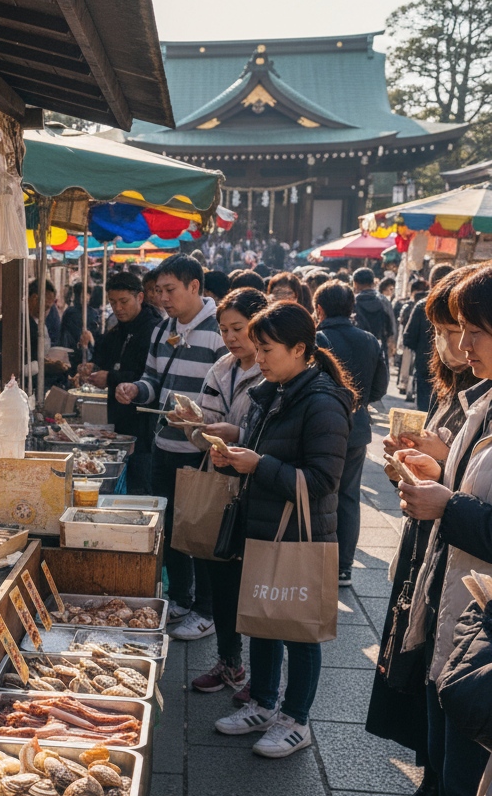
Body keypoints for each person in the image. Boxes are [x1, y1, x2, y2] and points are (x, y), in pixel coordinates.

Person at [380, 263, 492, 796]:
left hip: (480, 618)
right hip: (460, 610)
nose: (463, 344)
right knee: (455, 768)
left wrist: (448, 505)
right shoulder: (482, 398)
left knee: (470, 775)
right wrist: (436, 467)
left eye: (475, 330)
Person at [210, 301, 354, 756]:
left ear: (299, 349)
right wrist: (232, 462)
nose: (259, 357)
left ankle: (297, 719)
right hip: (266, 525)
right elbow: (257, 460)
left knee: (299, 629)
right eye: (258, 348)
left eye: (266, 349)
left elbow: (323, 481)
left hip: (303, 534)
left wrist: (259, 464)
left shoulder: (323, 401)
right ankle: (264, 702)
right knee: (264, 620)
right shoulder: (271, 391)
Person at [366, 266, 479, 796]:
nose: (455, 343)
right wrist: (419, 465)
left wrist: (444, 476)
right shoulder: (458, 391)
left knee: (448, 688)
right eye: (444, 329)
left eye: (466, 329)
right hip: (431, 549)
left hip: (465, 571)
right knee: (422, 675)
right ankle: (432, 792)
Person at [115, 253, 227, 640]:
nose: (163, 298)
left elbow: (226, 394)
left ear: (194, 287)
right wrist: (136, 389)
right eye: (158, 291)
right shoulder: (163, 330)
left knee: (202, 531)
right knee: (174, 528)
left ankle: (207, 609)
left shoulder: (219, 330)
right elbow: (152, 379)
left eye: (170, 290)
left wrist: (200, 419)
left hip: (201, 449)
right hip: (165, 443)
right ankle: (181, 596)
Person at [184, 286, 268, 696]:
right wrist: (198, 428)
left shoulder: (275, 368)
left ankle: (267, 680)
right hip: (222, 487)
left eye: (239, 328)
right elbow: (205, 427)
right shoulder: (222, 367)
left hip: (263, 488)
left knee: (259, 586)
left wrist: (237, 434)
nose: (232, 338)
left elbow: (278, 435)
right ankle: (230, 663)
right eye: (224, 330)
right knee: (221, 577)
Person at [312, 280, 388, 586]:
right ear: (351, 308)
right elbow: (380, 388)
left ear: (319, 309)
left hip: (319, 427)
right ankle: (343, 566)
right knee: (348, 496)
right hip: (356, 429)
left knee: (318, 493)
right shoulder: (370, 340)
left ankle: (319, 559)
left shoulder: (317, 338)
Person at [75, 273, 157, 486]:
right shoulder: (116, 331)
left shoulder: (153, 329)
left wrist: (110, 377)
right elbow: (105, 358)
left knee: (140, 483)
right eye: (113, 302)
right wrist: (93, 368)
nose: (118, 308)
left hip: (143, 427)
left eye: (123, 302)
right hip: (118, 423)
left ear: (139, 297)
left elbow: (148, 376)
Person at [404, 264, 454, 414]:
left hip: (425, 365)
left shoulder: (422, 305)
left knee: (425, 413)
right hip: (452, 367)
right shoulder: (458, 306)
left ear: (431, 283)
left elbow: (408, 338)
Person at [353, 267, 396, 361]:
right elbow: (391, 328)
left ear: (355, 283)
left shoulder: (352, 302)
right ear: (373, 283)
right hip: (380, 348)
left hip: (357, 349)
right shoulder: (384, 301)